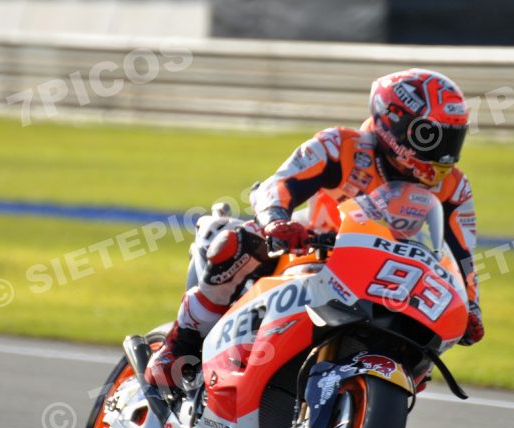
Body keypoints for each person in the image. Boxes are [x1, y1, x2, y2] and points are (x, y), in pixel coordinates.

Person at [145, 68, 484, 389]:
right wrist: (277, 221)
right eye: (430, 136)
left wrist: (470, 307)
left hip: (385, 281)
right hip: (307, 253)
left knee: (433, 333)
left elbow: (462, 258)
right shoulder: (342, 146)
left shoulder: (454, 188)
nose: (444, 154)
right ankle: (181, 345)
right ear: (393, 122)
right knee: (238, 241)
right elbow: (276, 185)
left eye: (452, 140)